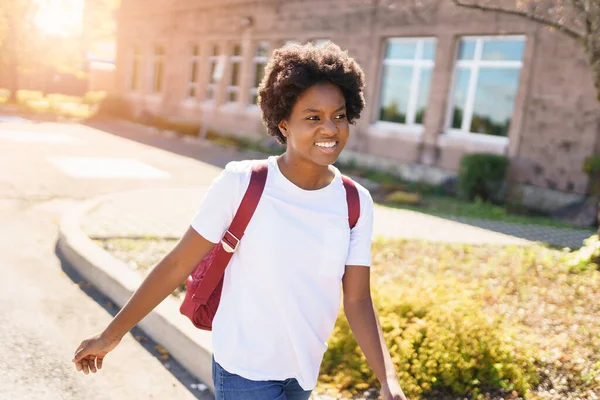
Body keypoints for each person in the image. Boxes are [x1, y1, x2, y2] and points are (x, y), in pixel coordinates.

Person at [72, 42, 407, 400]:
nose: (330, 129)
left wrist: (387, 379)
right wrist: (111, 334)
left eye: (338, 116)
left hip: (304, 369)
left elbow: (357, 300)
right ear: (283, 124)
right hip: (245, 369)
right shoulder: (242, 183)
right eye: (313, 117)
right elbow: (176, 265)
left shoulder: (355, 202)